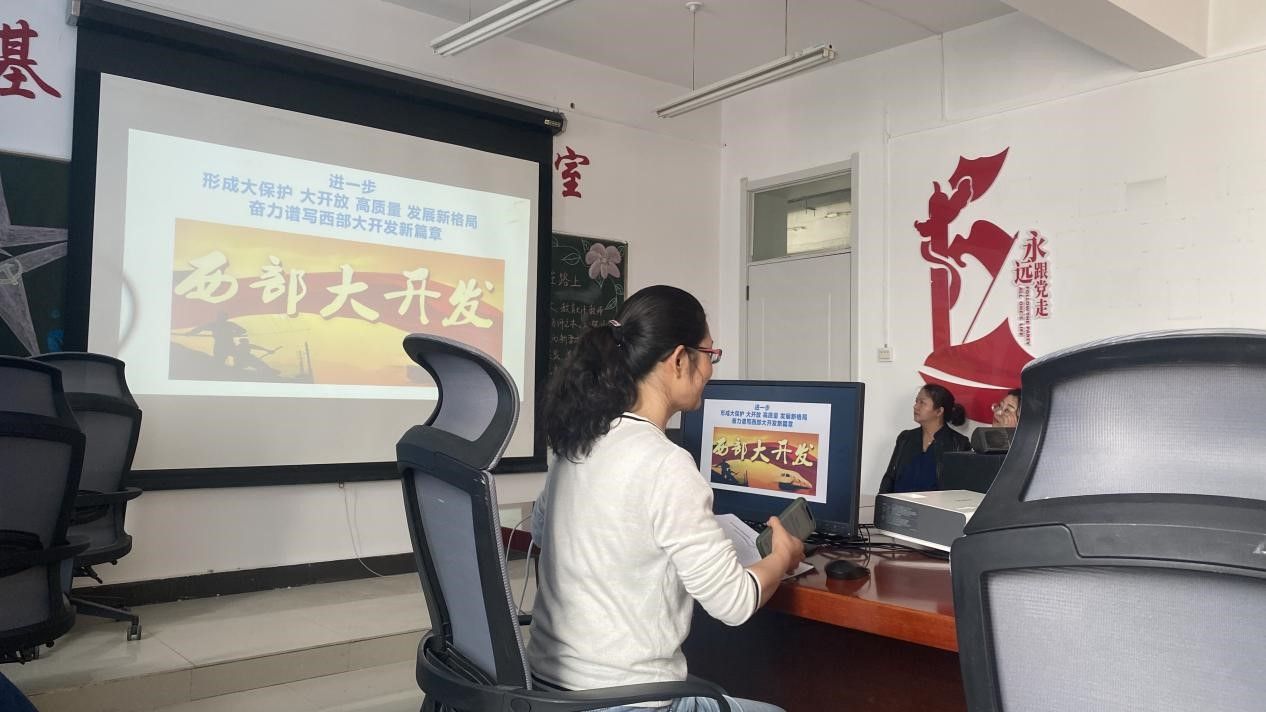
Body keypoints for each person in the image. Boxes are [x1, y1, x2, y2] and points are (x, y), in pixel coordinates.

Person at [528, 285, 804, 712]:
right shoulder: (666, 463)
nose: (710, 370)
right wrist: (782, 556)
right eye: (709, 355)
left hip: (547, 692)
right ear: (678, 359)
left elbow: (542, 532)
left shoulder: (578, 440)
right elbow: (734, 602)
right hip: (630, 701)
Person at [878, 384, 971, 493]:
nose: (915, 406)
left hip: (935, 504)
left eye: (922, 402)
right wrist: (882, 500)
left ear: (939, 411)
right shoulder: (905, 438)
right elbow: (889, 478)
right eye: (916, 401)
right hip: (899, 503)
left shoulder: (959, 443)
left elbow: (959, 489)